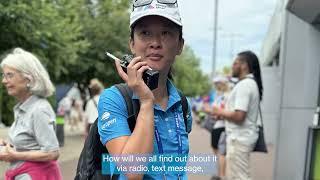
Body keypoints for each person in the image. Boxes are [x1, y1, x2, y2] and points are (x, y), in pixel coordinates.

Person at [97, 0, 192, 179]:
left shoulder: (182, 103)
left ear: (180, 45)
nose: (155, 43)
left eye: (166, 33)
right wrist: (146, 101)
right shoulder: (113, 99)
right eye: (145, 33)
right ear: (132, 44)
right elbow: (132, 171)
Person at [0, 48, 62, 179]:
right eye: (3, 75)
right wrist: (8, 146)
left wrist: (14, 155)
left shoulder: (39, 109)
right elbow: (29, 144)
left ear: (28, 78)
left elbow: (52, 153)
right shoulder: (23, 108)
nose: (4, 81)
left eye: (9, 75)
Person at [212, 51, 263, 180]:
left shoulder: (245, 85)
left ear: (244, 65)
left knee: (239, 177)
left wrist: (219, 112)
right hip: (239, 138)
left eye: (235, 63)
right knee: (235, 175)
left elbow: (240, 116)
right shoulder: (249, 84)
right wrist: (223, 115)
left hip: (239, 139)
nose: (232, 66)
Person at [203, 75, 229, 179]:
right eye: (216, 84)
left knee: (221, 152)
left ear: (223, 84)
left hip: (222, 126)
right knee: (216, 151)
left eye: (218, 83)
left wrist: (210, 110)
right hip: (217, 127)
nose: (216, 85)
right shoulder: (219, 96)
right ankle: (218, 174)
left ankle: (221, 176)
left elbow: (221, 112)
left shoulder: (226, 96)